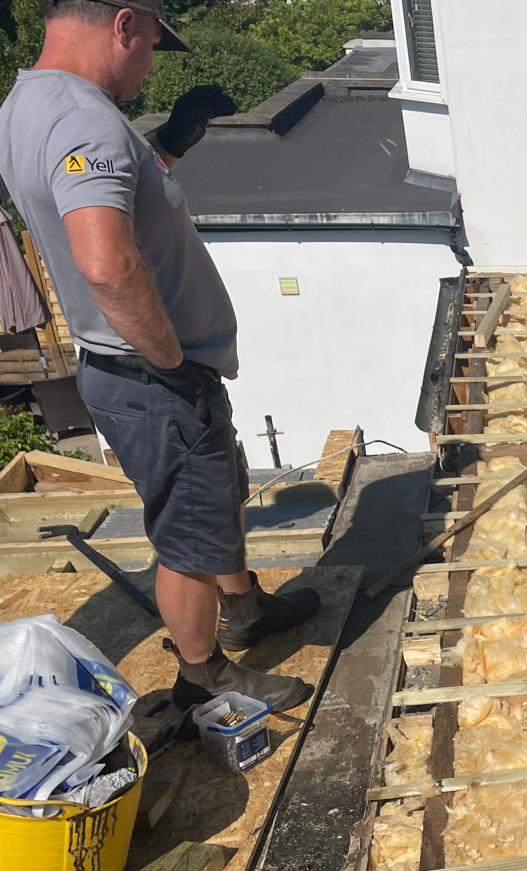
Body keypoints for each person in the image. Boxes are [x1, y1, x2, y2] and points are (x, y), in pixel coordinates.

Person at [0, 0, 319, 712]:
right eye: (149, 43)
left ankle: (244, 606)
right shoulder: (82, 121)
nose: (149, 66)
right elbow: (106, 265)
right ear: (122, 25)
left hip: (128, 369)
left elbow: (103, 198)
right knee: (188, 534)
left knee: (213, 493)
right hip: (151, 373)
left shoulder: (26, 104)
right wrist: (170, 363)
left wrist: (167, 146)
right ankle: (204, 676)